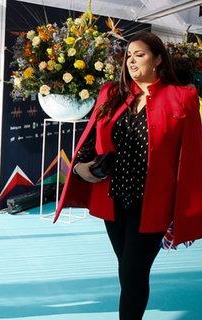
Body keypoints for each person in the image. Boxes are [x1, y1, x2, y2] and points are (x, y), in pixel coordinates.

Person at [55, 31, 202, 320]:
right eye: (128, 56)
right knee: (128, 270)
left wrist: (186, 210)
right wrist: (82, 168)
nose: (131, 61)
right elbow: (88, 142)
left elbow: (194, 157)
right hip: (113, 200)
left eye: (140, 54)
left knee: (134, 272)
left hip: (153, 205)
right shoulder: (111, 93)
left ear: (158, 59)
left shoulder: (183, 97)